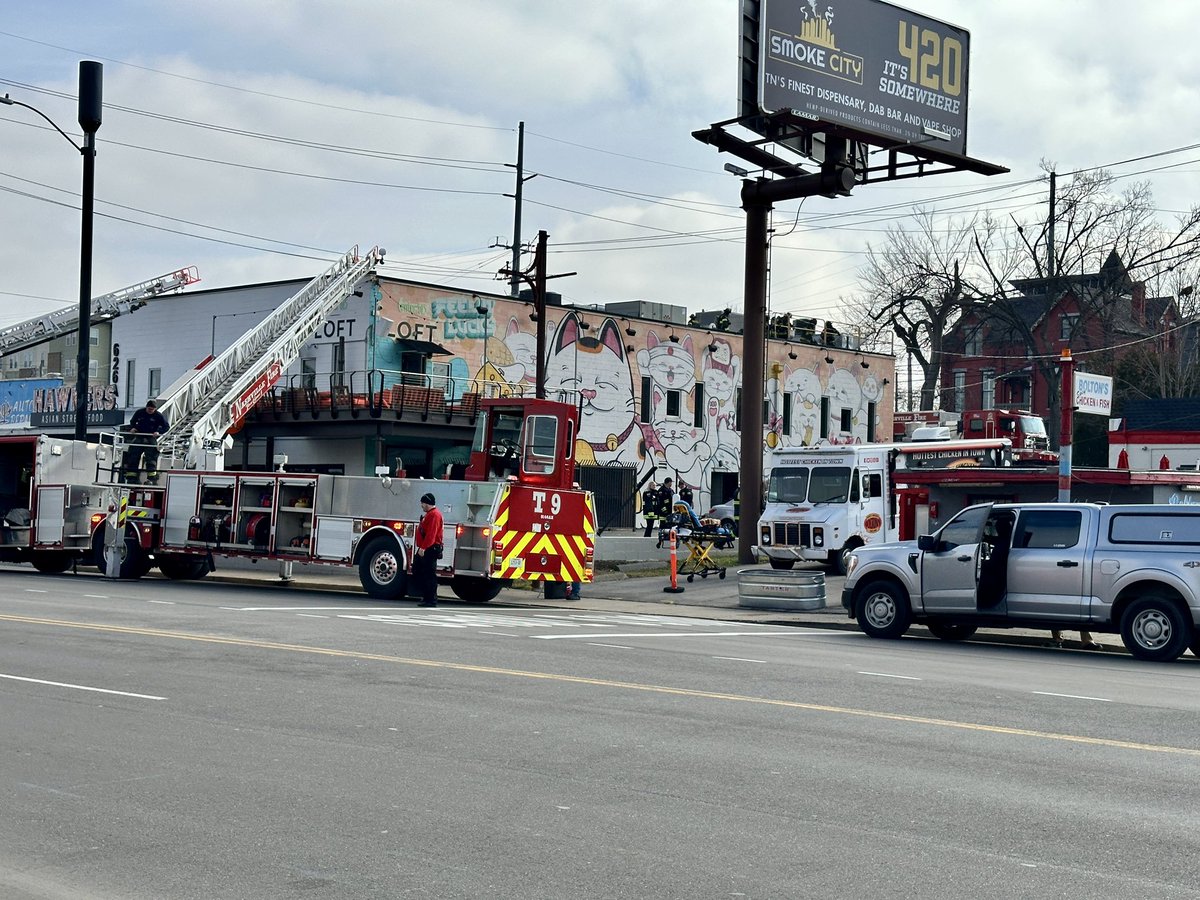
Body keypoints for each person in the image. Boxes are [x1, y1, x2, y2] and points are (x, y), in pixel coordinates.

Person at [122, 399, 169, 483]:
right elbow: (132, 421)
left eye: (152, 409)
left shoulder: (158, 416)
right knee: (133, 455)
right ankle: (131, 477)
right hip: (139, 436)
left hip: (150, 438)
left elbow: (166, 427)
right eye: (149, 409)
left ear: (155, 409)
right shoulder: (140, 412)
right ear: (146, 407)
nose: (150, 411)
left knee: (151, 457)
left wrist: (159, 432)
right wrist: (133, 428)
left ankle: (151, 477)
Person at [413, 492, 444, 607]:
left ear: (427, 503)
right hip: (426, 548)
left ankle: (430, 599)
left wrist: (423, 548)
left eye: (422, 503)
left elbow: (431, 533)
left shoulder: (434, 515)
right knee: (420, 571)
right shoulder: (430, 514)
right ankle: (426, 597)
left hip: (430, 549)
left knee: (429, 574)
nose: (421, 505)